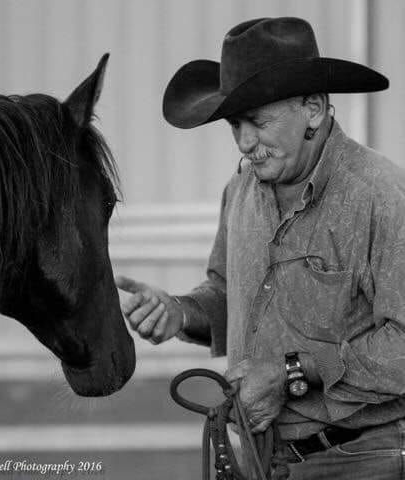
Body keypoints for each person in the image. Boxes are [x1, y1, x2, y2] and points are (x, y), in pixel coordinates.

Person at [116, 17, 405, 479]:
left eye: (258, 121)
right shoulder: (240, 191)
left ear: (313, 109)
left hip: (358, 462)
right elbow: (229, 294)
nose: (246, 142)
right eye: (235, 125)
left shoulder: (381, 198)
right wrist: (181, 312)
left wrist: (292, 371)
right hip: (258, 458)